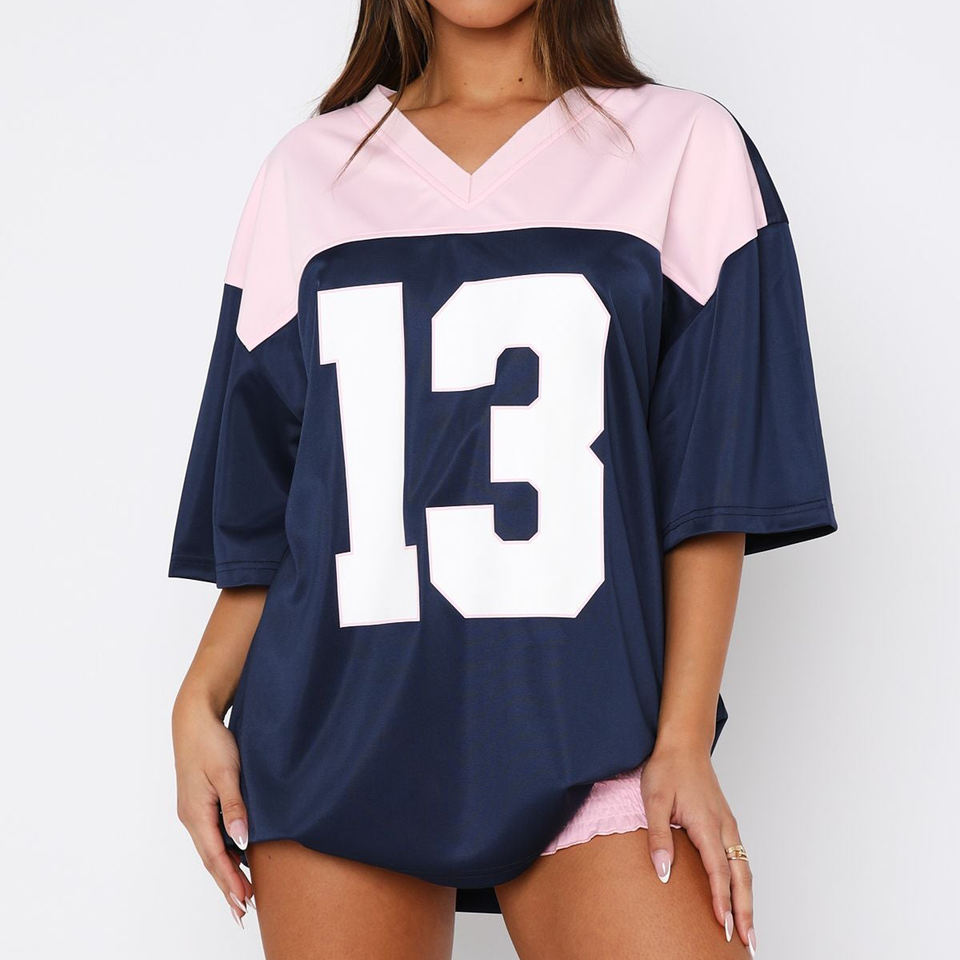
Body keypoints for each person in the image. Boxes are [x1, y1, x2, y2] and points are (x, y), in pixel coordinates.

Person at [169, 2, 837, 957]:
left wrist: (684, 738)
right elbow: (282, 507)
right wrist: (199, 698)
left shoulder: (683, 145)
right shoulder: (307, 172)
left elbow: (711, 485)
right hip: (333, 739)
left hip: (593, 728)